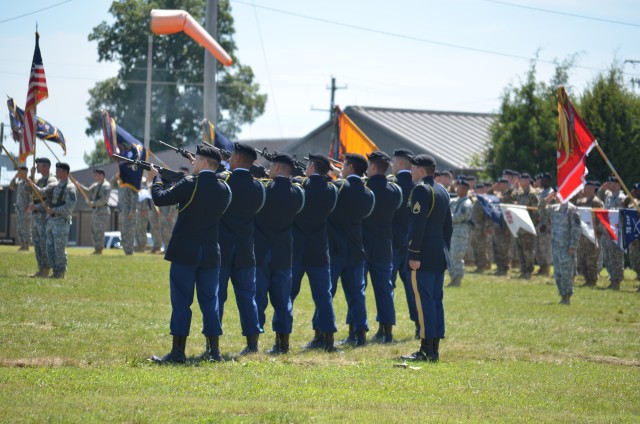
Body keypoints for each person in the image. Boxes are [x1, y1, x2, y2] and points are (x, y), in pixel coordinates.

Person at [149, 146, 232, 364]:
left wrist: (156, 179)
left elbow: (160, 198)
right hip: (211, 254)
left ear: (204, 163)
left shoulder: (189, 184)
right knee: (210, 303)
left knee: (181, 303)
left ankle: (178, 353)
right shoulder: (224, 188)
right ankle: (214, 352)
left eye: (197, 160)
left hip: (186, 252)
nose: (193, 163)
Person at [401, 154, 452, 362]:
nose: (411, 172)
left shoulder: (422, 189)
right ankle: (434, 347)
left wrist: (413, 254)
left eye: (413, 168)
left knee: (424, 303)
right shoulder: (442, 190)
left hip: (422, 255)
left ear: (421, 170)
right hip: (438, 254)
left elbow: (417, 225)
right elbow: (448, 226)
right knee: (435, 301)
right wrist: (444, 251)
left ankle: (426, 349)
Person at [254, 153, 305, 354]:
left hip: (261, 250)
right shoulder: (298, 193)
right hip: (284, 251)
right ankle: (283, 342)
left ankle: (254, 342)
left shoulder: (263, 188)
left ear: (275, 168)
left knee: (258, 298)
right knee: (283, 300)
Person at [218, 142, 266, 355]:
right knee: (248, 297)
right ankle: (252, 344)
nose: (228, 159)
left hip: (223, 248)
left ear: (237, 159)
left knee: (217, 297)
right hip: (246, 249)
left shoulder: (224, 181)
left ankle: (213, 345)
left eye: (231, 156)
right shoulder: (258, 187)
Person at [290, 154, 339, 352]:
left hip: (298, 249)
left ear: (311, 166)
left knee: (288, 295)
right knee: (323, 297)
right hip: (319, 249)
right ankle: (328, 339)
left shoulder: (300, 186)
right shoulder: (331, 190)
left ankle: (281, 339)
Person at [328, 153, 375, 347]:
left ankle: (323, 333)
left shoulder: (337, 188)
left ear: (349, 167)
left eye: (344, 165)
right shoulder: (368, 193)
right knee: (357, 294)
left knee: (326, 294)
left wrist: (337, 177)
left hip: (336, 248)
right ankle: (360, 332)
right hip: (356, 248)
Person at [363, 151, 403, 343]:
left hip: (363, 244)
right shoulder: (394, 190)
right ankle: (386, 330)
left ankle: (358, 329)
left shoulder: (365, 188)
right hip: (384, 244)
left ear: (372, 167)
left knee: (358, 289)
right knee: (384, 290)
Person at [388, 148, 418, 338]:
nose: (391, 166)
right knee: (412, 288)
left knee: (386, 287)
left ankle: (386, 328)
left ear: (399, 164)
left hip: (391, 243)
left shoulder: (391, 186)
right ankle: (418, 325)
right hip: (412, 244)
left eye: (393, 162)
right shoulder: (418, 186)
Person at [44, 163, 77, 279]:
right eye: (56, 170)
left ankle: (61, 272)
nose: (56, 172)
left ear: (65, 172)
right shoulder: (55, 185)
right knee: (50, 247)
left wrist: (54, 210)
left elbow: (69, 207)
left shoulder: (70, 188)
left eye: (58, 170)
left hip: (61, 222)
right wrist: (31, 184)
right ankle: (55, 271)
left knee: (59, 248)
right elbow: (43, 192)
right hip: (51, 221)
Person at [25, 157, 57, 278]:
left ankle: (46, 269)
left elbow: (48, 199)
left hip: (44, 217)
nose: (36, 167)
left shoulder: (51, 180)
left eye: (38, 165)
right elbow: (28, 190)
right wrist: (31, 176)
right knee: (37, 244)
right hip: (36, 217)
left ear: (46, 167)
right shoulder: (39, 180)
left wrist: (36, 206)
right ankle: (41, 268)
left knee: (44, 244)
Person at [547, 195, 582, 305]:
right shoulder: (555, 208)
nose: (557, 196)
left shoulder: (571, 210)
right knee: (558, 273)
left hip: (566, 247)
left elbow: (576, 229)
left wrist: (573, 246)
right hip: (556, 246)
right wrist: (546, 199)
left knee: (566, 273)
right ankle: (562, 295)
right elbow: (541, 211)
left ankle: (567, 297)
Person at [114, 144, 142, 255]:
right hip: (122, 210)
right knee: (123, 230)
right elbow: (112, 183)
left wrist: (131, 211)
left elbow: (135, 198)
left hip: (129, 212)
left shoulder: (131, 182)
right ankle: (126, 249)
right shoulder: (121, 182)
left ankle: (129, 250)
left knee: (129, 231)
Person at [575, 181, 604, 287]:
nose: (584, 189)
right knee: (582, 258)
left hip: (592, 234)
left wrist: (597, 230)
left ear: (592, 189)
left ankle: (592, 280)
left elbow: (600, 218)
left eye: (587, 187)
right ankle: (587, 279)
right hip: (582, 234)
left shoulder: (596, 202)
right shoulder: (581, 200)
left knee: (591, 258)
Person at [599, 177, 626, 290]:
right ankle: (612, 279)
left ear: (617, 184)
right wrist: (601, 189)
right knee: (608, 256)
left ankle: (617, 281)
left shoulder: (622, 198)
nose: (608, 183)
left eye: (611, 182)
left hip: (616, 232)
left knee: (616, 257)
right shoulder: (609, 196)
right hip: (607, 231)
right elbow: (600, 199)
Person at [79, 169, 111, 255]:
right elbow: (87, 191)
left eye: (97, 174)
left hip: (103, 211)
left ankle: (99, 249)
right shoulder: (95, 185)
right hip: (96, 211)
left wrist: (94, 203)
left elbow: (105, 199)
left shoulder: (106, 185)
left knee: (99, 231)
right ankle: (97, 248)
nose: (95, 176)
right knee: (93, 230)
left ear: (102, 175)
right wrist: (79, 186)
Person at [447, 179, 473, 287]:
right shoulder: (456, 200)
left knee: (457, 255)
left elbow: (459, 217)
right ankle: (453, 277)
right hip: (452, 231)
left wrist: (446, 218)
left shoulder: (466, 203)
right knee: (450, 255)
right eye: (457, 188)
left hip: (460, 232)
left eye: (461, 188)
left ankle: (457, 279)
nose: (458, 190)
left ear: (466, 190)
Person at [515, 173, 539, 279]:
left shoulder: (532, 194)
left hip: (528, 227)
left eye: (522, 180)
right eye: (520, 180)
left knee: (528, 250)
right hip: (519, 227)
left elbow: (535, 213)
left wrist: (532, 226)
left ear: (528, 181)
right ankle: (523, 270)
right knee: (520, 250)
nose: (520, 182)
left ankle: (529, 271)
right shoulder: (520, 194)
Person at [535, 173, 554, 276]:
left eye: (544, 180)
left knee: (545, 247)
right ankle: (541, 267)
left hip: (546, 226)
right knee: (538, 247)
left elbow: (550, 210)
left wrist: (545, 224)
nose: (541, 182)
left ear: (548, 181)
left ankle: (546, 268)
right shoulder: (541, 193)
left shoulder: (551, 193)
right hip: (539, 223)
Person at [9, 166, 32, 251]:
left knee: (25, 228)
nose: (21, 174)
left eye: (22, 172)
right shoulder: (20, 183)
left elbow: (31, 195)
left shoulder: (28, 182)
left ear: (26, 172)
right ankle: (22, 244)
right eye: (20, 172)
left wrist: (29, 207)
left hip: (26, 210)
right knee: (19, 228)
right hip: (19, 210)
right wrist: (15, 177)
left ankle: (26, 246)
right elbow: (11, 187)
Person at [622, 183, 640, 288]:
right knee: (634, 260)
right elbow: (622, 207)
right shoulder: (633, 202)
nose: (637, 192)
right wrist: (629, 196)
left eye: (638, 190)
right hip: (634, 236)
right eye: (635, 190)